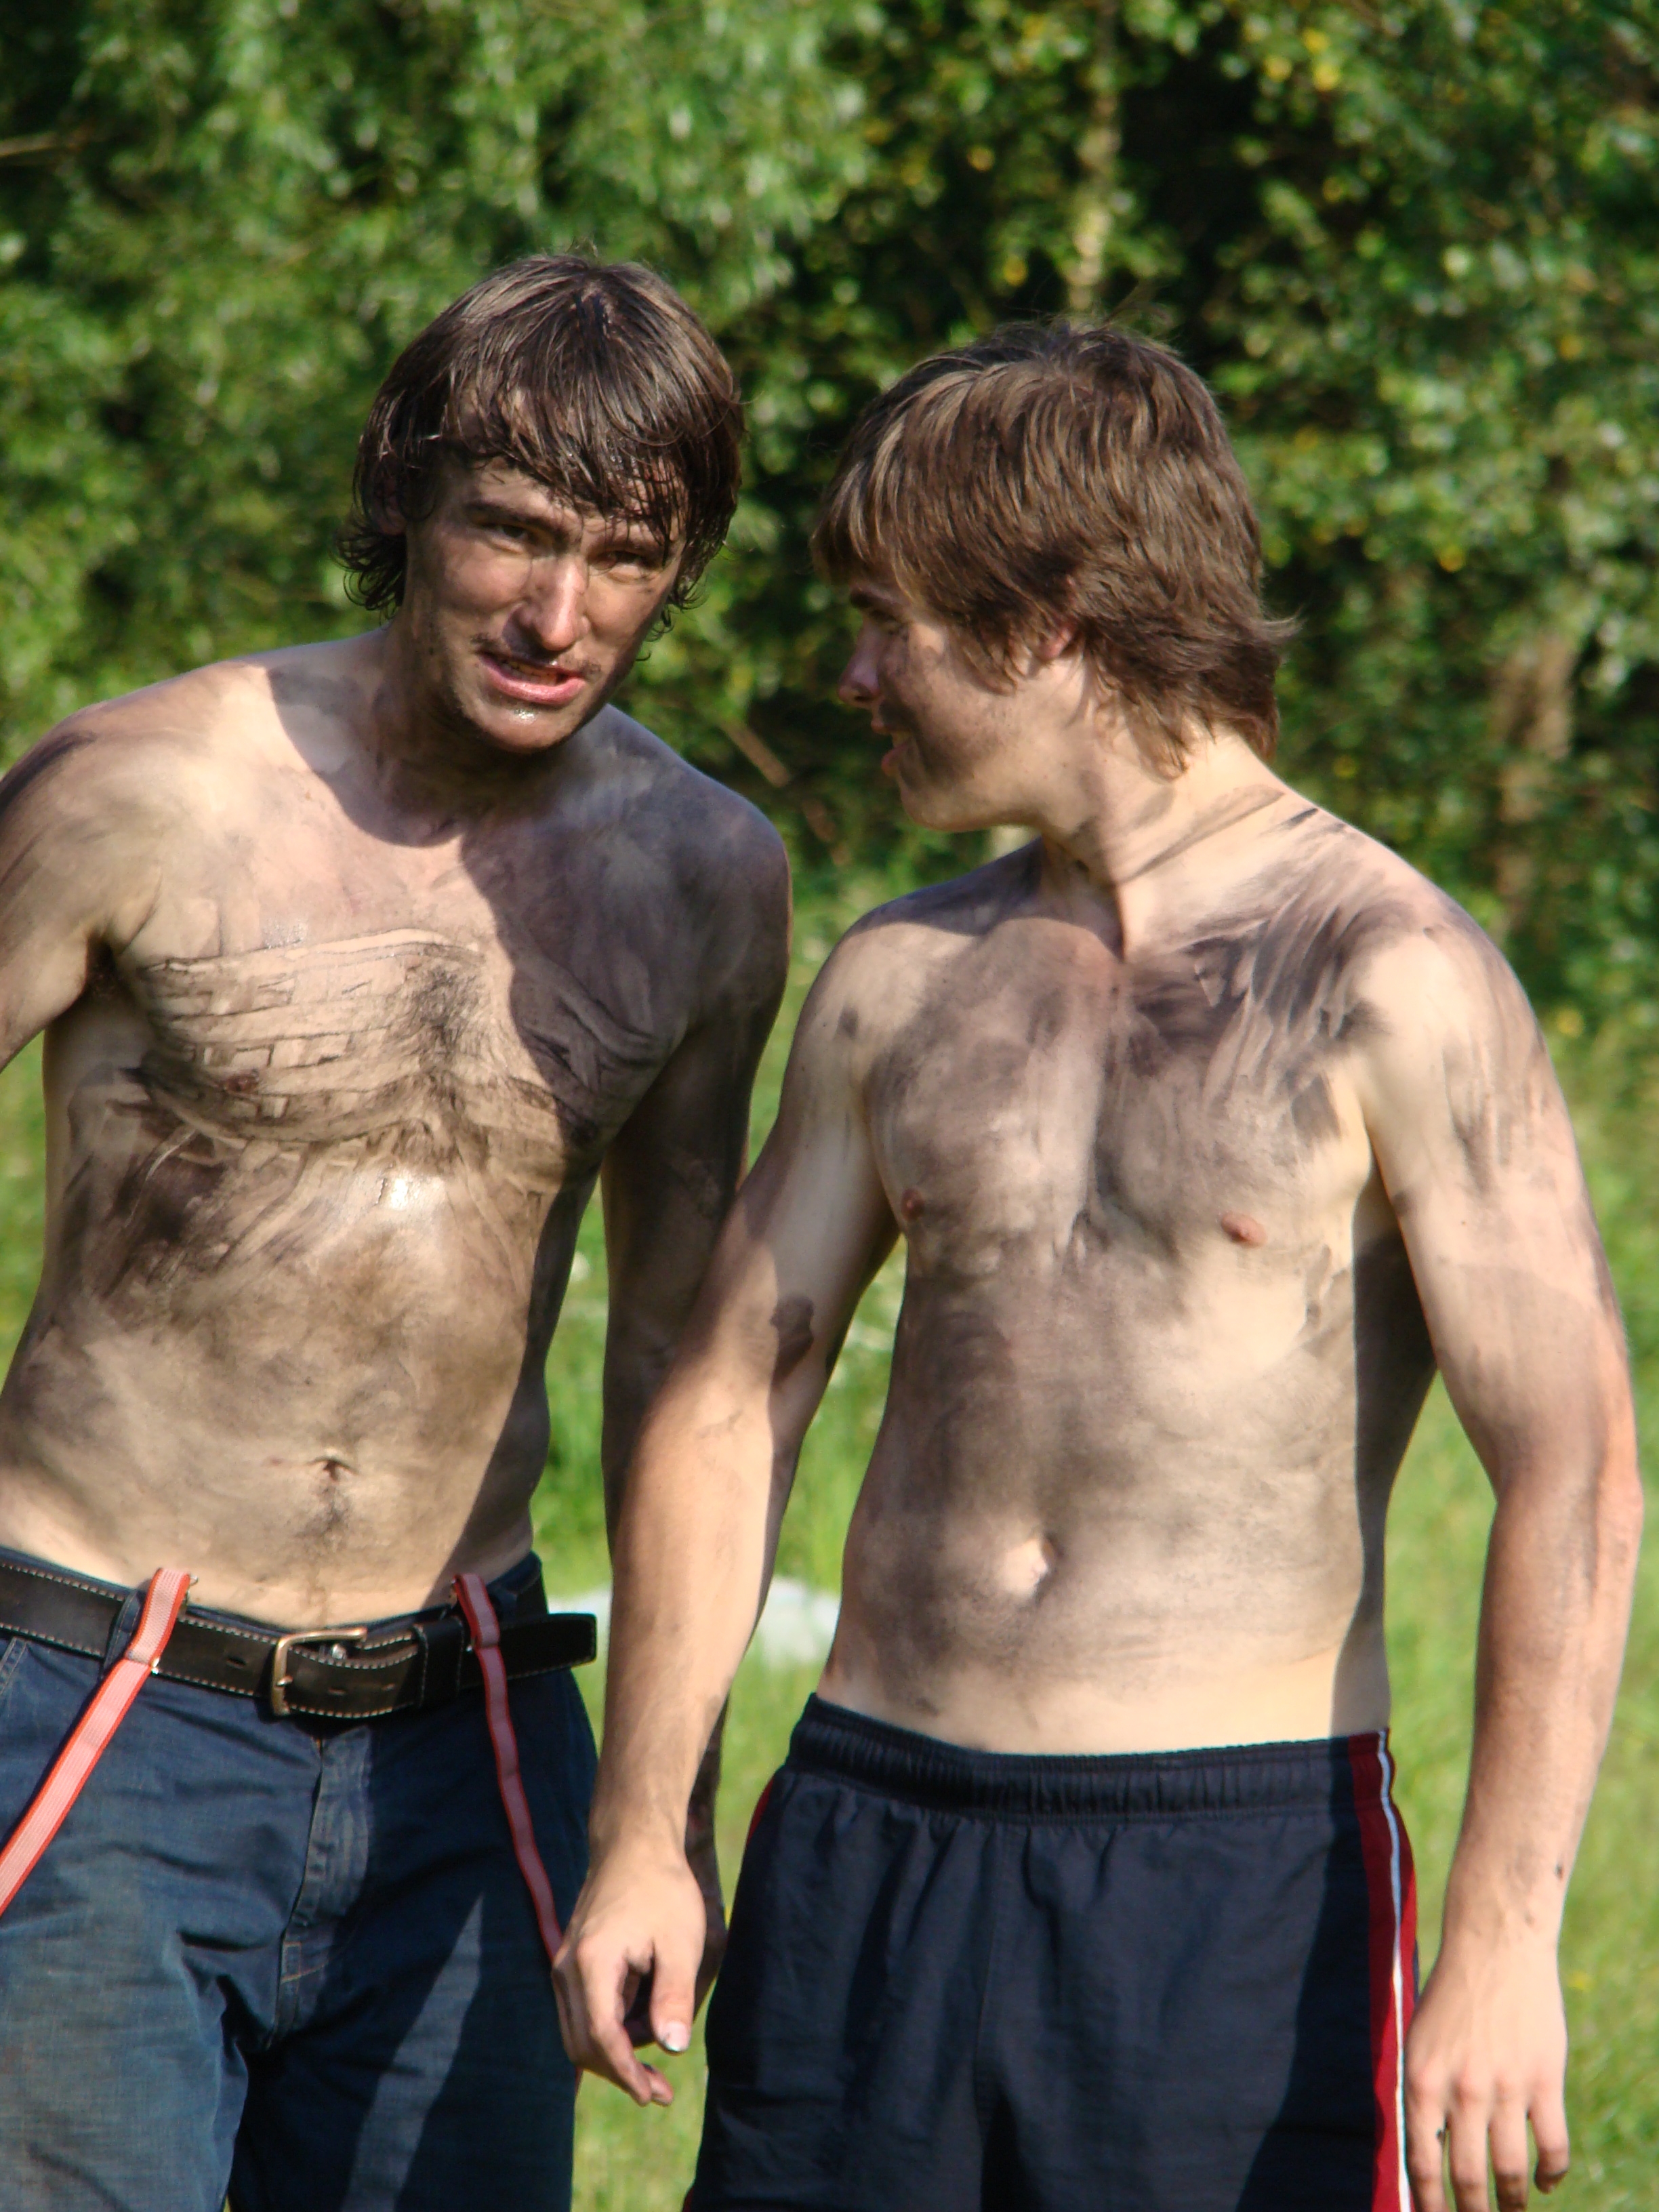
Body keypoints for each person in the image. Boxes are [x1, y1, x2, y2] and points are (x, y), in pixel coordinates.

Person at [554, 324, 1643, 2212]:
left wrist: (1502, 1942)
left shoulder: (1391, 980)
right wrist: (646, 1828)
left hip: (1229, 1883)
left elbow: (1576, 1469)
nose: (855, 676)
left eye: (889, 625)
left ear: (1049, 619)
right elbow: (732, 1400)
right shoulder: (901, 981)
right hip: (871, 1837)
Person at [0, 254, 787, 2212]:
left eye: (625, 558)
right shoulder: (141, 789)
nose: (557, 614)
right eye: (511, 531)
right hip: (99, 1695)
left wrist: (660, 1819)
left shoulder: (706, 877)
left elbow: (684, 1370)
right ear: (406, 502)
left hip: (472, 1731)